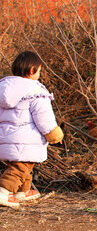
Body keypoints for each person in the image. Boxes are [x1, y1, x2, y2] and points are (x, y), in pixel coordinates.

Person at [0, 51, 64, 209]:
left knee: (23, 167)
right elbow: (44, 119)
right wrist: (54, 134)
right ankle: (4, 191)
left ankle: (22, 191)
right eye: (40, 71)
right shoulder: (35, 91)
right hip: (26, 140)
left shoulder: (3, 88)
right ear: (32, 70)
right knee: (20, 168)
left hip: (5, 138)